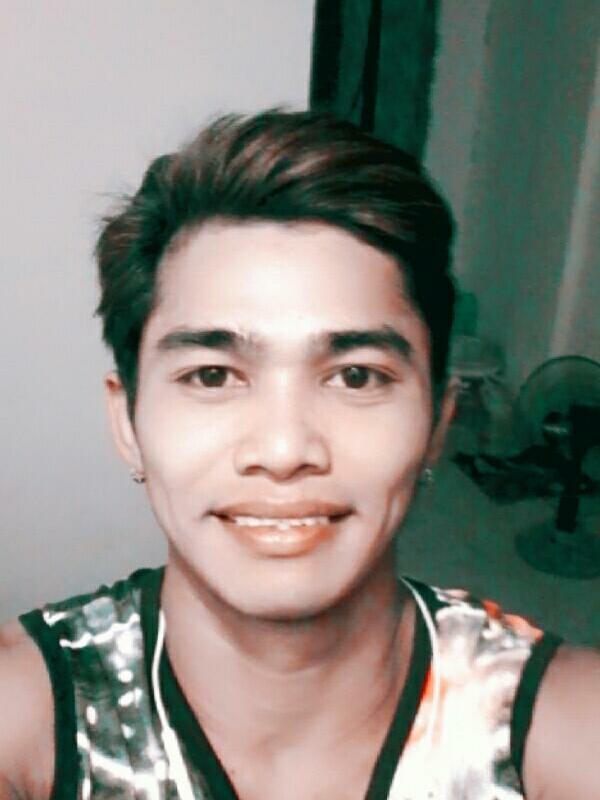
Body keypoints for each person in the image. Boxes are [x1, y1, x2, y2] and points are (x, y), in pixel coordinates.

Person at [1, 109, 598, 800]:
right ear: (127, 421)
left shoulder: (567, 725)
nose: (284, 451)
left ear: (439, 419)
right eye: (212, 376)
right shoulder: (23, 712)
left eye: (356, 376)